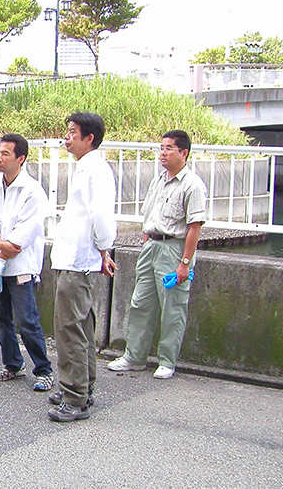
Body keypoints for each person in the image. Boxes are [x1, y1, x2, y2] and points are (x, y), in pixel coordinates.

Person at [107, 130, 207, 380]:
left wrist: (184, 263)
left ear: (183, 153)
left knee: (173, 306)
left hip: (174, 248)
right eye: (161, 148)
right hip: (152, 245)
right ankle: (134, 356)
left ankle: (166, 360)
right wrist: (145, 242)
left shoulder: (192, 185)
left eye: (168, 148)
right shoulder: (158, 180)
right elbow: (148, 217)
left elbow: (194, 227)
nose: (162, 153)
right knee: (140, 302)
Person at [47, 112, 117, 422]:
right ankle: (81, 389)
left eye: (73, 132)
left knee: (70, 329)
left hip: (78, 260)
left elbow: (100, 214)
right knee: (80, 326)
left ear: (89, 138)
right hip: (74, 258)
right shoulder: (87, 168)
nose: (67, 137)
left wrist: (104, 248)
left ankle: (75, 396)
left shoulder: (94, 170)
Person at [0, 134, 55, 390]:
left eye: (5, 154)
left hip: (20, 264)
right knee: (1, 319)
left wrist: (3, 249)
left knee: (26, 319)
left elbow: (27, 229)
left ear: (20, 158)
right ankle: (12, 364)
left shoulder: (33, 190)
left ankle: (43, 370)